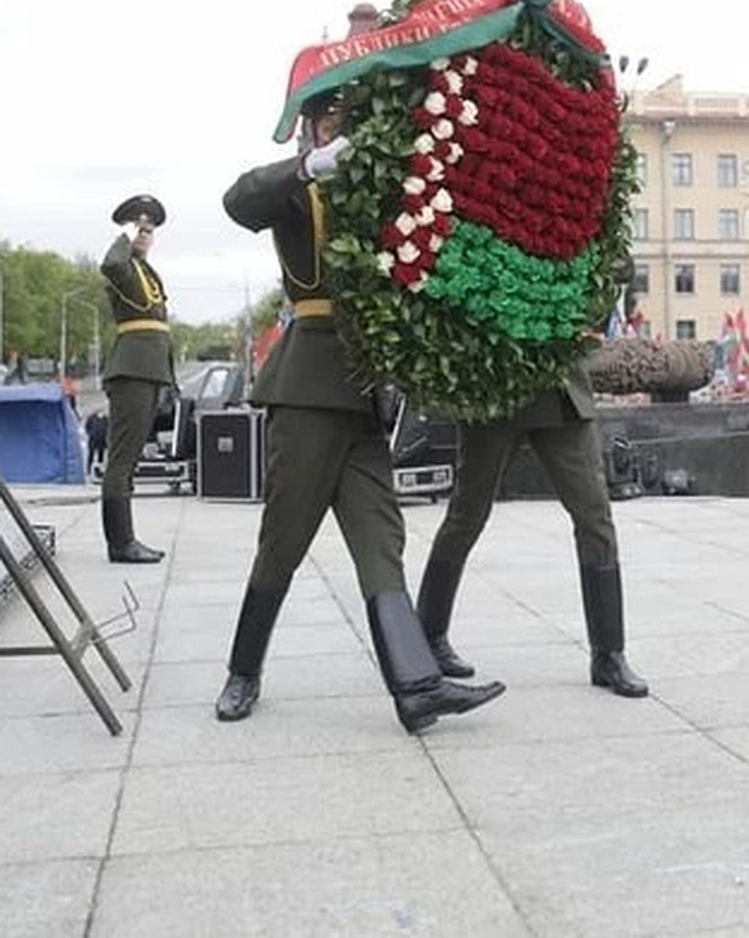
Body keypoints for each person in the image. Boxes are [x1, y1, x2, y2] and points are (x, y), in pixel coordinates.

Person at [214, 89, 505, 734]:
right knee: (284, 540)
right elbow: (237, 201)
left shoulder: (377, 199)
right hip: (309, 387)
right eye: (333, 122)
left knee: (382, 543)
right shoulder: (298, 190)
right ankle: (243, 670)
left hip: (364, 392)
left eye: (353, 121)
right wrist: (308, 168)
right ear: (313, 130)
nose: (345, 131)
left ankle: (417, 689)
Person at [415, 360, 649, 699]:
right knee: (466, 516)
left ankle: (609, 655)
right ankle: (429, 636)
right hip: (494, 391)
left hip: (560, 392)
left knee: (595, 518)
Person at [99, 196, 174, 564]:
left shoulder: (145, 271)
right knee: (122, 460)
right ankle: (120, 543)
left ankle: (126, 539)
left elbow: (160, 327)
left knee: (129, 462)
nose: (144, 235)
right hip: (131, 371)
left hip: (148, 371)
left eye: (149, 230)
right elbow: (110, 262)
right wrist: (125, 235)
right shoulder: (122, 266)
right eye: (138, 228)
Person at [84, 408, 108, 478]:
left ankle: (98, 471)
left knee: (101, 457)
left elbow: (108, 428)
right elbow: (87, 427)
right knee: (91, 455)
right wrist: (91, 434)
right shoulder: (91, 418)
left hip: (102, 441)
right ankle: (88, 469)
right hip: (93, 440)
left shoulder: (106, 419)